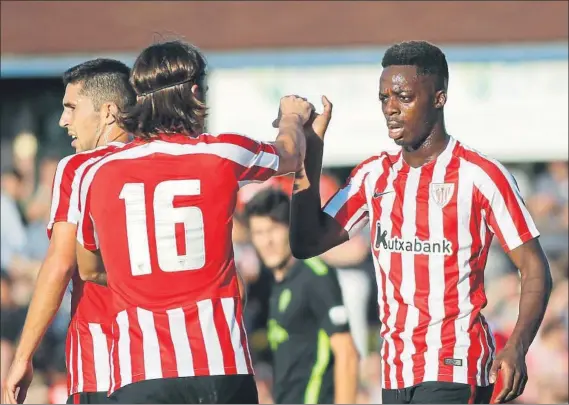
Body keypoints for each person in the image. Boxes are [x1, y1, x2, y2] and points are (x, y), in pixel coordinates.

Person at [289, 41, 552, 404]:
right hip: (395, 372)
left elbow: (534, 266)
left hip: (455, 364)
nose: (391, 109)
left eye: (404, 97)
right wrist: (311, 148)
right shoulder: (373, 176)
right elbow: (306, 243)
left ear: (439, 98)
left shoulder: (480, 176)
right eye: (384, 98)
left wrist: (518, 346)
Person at [73, 40, 314, 404]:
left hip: (137, 372)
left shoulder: (94, 173)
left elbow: (89, 268)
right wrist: (291, 116)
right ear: (196, 92)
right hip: (219, 365)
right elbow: (291, 154)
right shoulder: (222, 152)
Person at [2, 58, 136, 405]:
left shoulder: (79, 167)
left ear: (107, 112)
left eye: (71, 108)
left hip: (101, 358)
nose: (63, 120)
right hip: (163, 359)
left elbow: (61, 265)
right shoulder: (163, 163)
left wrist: (22, 356)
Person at [244, 188, 359, 404]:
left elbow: (347, 354)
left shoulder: (314, 275)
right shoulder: (269, 284)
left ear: (290, 228)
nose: (267, 241)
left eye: (274, 229)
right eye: (259, 233)